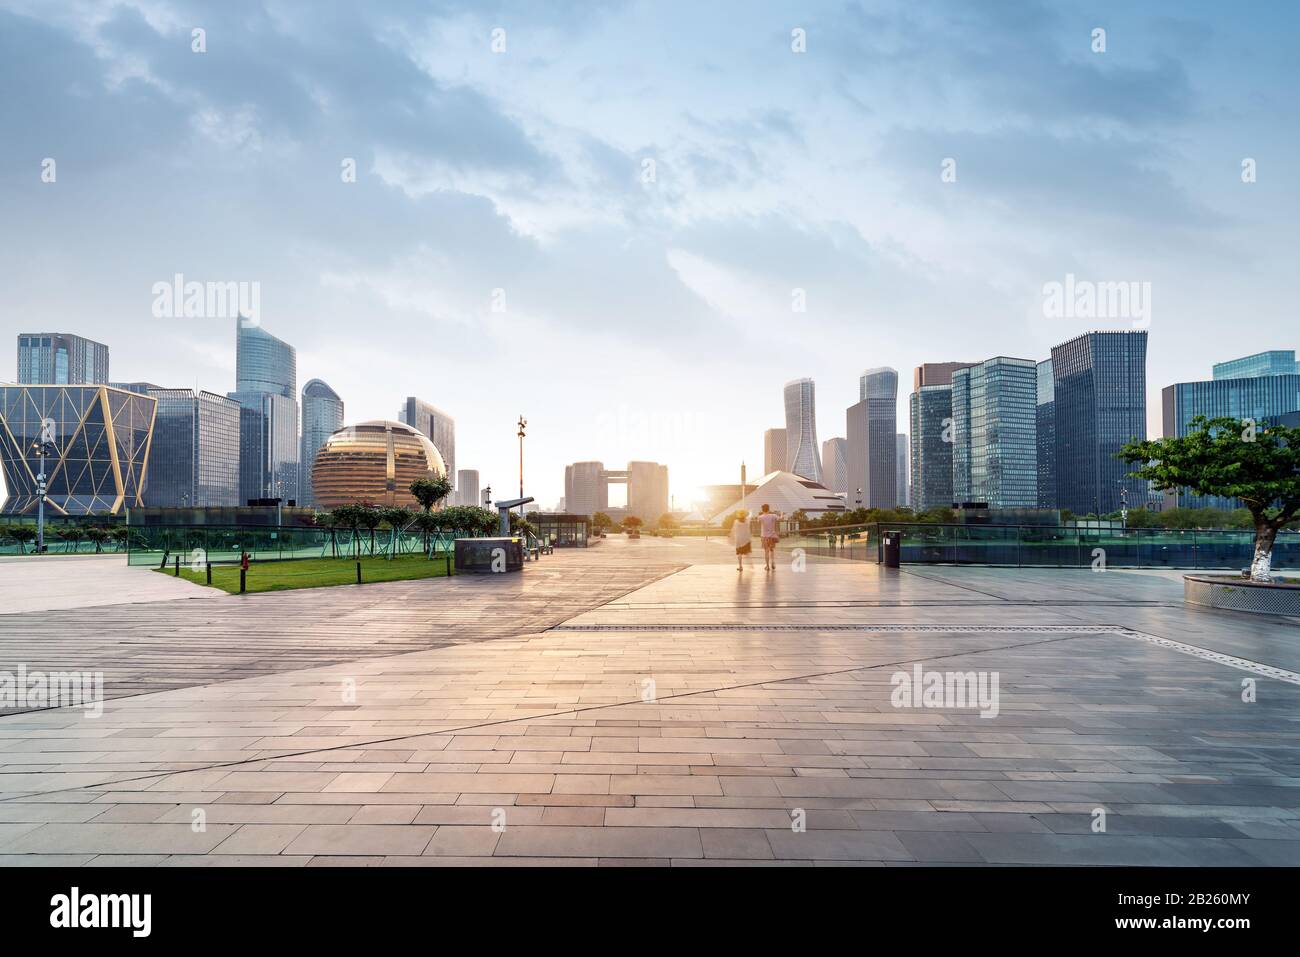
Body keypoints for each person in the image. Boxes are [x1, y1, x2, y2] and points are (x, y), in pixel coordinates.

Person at [757, 503, 784, 571]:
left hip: (764, 537)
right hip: (772, 536)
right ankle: (773, 562)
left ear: (762, 510)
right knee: (772, 551)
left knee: (766, 551)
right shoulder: (773, 516)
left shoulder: (760, 517)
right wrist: (781, 514)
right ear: (769, 509)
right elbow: (781, 519)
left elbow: (758, 521)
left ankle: (767, 566)